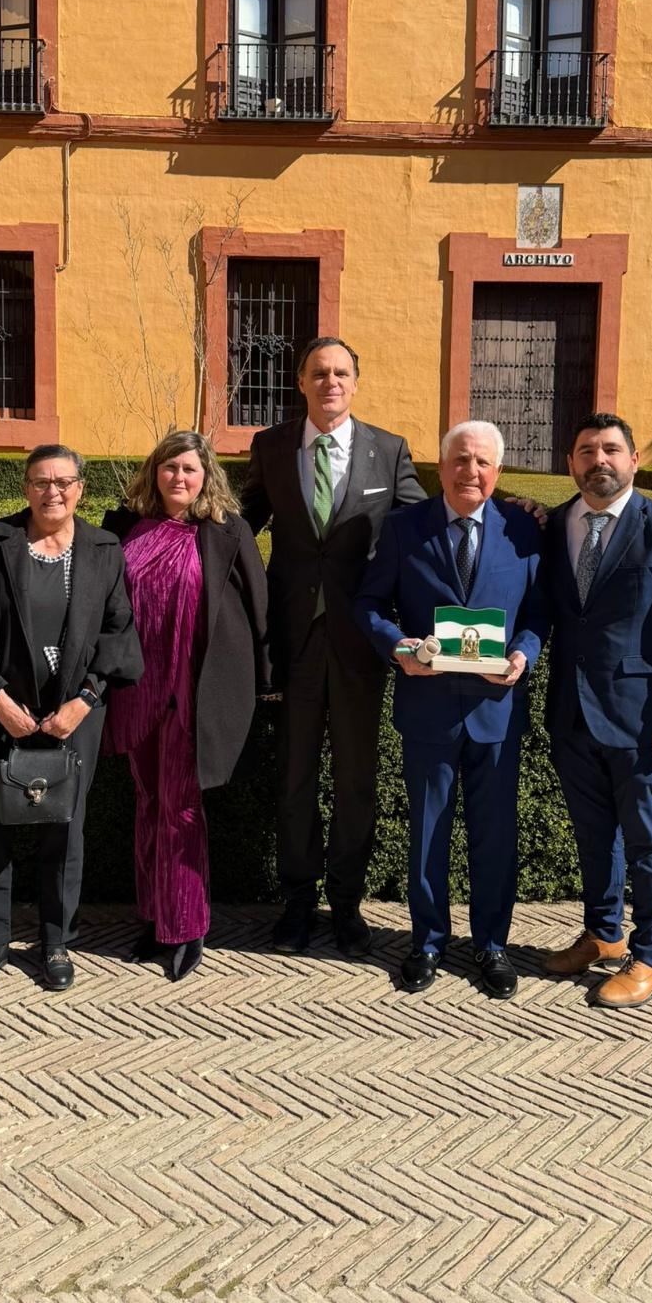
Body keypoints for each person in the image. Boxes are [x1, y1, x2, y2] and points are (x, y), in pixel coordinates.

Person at [240, 337, 426, 959]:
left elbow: (427, 524)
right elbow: (239, 524)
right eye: (319, 373)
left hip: (359, 644)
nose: (331, 382)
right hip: (292, 639)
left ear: (356, 381)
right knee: (293, 775)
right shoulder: (270, 446)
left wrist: (512, 513)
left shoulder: (388, 450)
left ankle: (346, 902)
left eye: (342, 372)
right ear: (301, 382)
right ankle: (297, 900)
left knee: (355, 779)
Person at [0, 445, 143, 994]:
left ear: (81, 488)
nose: (53, 491)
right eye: (40, 481)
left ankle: (56, 942)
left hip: (75, 715)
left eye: (64, 481)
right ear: (25, 487)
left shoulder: (103, 548)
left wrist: (86, 698)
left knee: (64, 829)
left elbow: (118, 629)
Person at [354, 421, 546, 997]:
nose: (472, 472)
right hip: (429, 707)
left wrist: (523, 656)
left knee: (494, 834)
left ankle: (491, 945)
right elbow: (368, 602)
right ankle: (427, 941)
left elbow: (540, 612)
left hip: (497, 708)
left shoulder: (525, 530)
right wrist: (398, 646)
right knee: (429, 832)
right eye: (461, 461)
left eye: (484, 463)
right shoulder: (403, 528)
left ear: (499, 472)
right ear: (442, 467)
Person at [541, 413, 652, 1009]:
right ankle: (602, 934)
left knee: (646, 842)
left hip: (644, 721)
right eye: (587, 450)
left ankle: (651, 956)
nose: (600, 460)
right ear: (571, 463)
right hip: (572, 713)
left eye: (611, 450)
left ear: (634, 459)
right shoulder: (555, 526)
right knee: (594, 837)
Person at [101, 431, 270, 982]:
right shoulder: (122, 527)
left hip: (188, 693)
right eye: (170, 467)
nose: (179, 477)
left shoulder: (227, 531)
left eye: (190, 470)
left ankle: (187, 926)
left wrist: (266, 679)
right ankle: (154, 916)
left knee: (180, 807)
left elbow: (257, 606)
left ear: (206, 477)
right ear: (155, 473)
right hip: (133, 690)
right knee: (147, 801)